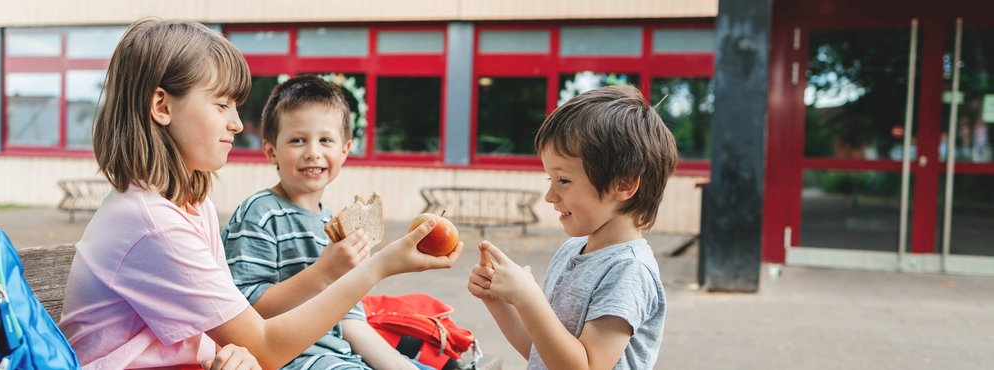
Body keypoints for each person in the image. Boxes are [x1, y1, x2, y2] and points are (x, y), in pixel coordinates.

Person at [58, 18, 462, 370]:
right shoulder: (152, 224)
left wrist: (234, 353)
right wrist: (378, 266)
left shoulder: (191, 205)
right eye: (221, 105)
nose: (236, 124)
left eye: (236, 106)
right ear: (161, 106)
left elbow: (236, 334)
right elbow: (266, 348)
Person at [221, 75, 431, 370]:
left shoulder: (337, 225)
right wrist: (324, 272)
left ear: (344, 150)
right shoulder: (259, 213)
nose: (313, 152)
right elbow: (247, 310)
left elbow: (352, 322)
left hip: (342, 357)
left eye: (325, 140)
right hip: (292, 360)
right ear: (271, 151)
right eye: (298, 140)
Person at [467, 84, 678, 370]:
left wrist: (528, 300)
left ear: (624, 184)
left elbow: (586, 366)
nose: (550, 196)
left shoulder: (629, 270)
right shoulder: (572, 251)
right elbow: (542, 351)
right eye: (549, 180)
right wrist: (497, 300)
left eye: (563, 180)